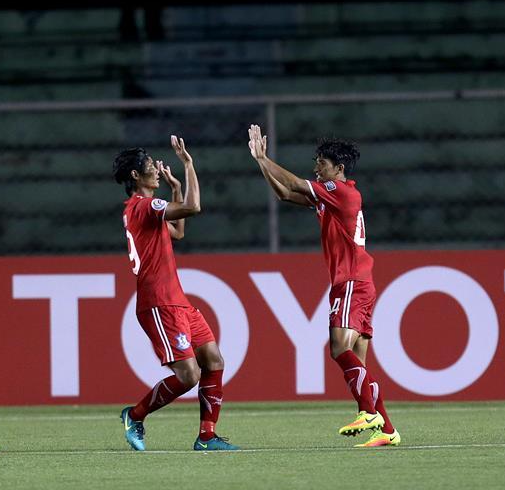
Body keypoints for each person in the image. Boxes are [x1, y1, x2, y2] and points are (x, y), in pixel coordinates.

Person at [247, 124, 400, 447]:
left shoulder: (341, 192)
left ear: (338, 169)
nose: (316, 168)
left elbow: (293, 182)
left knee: (338, 348)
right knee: (358, 362)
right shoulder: (331, 197)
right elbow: (285, 193)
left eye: (322, 163)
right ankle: (385, 428)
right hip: (360, 282)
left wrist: (265, 156)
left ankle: (368, 413)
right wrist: (261, 163)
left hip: (351, 282)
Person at [112, 135, 239, 451]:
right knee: (188, 374)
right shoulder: (142, 206)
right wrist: (188, 164)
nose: (156, 169)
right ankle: (135, 415)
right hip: (159, 302)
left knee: (213, 358)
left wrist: (177, 189)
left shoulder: (142, 210)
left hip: (177, 301)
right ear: (135, 176)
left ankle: (207, 437)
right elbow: (194, 208)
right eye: (150, 166)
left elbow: (178, 231)